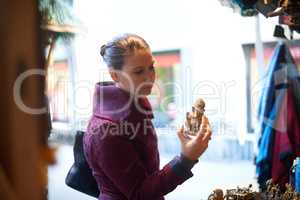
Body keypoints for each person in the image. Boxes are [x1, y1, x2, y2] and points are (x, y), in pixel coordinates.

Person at [83, 33, 212, 200]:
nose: (149, 77)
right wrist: (186, 159)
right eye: (138, 72)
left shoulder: (135, 108)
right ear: (114, 75)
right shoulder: (106, 130)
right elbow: (140, 194)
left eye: (151, 67)